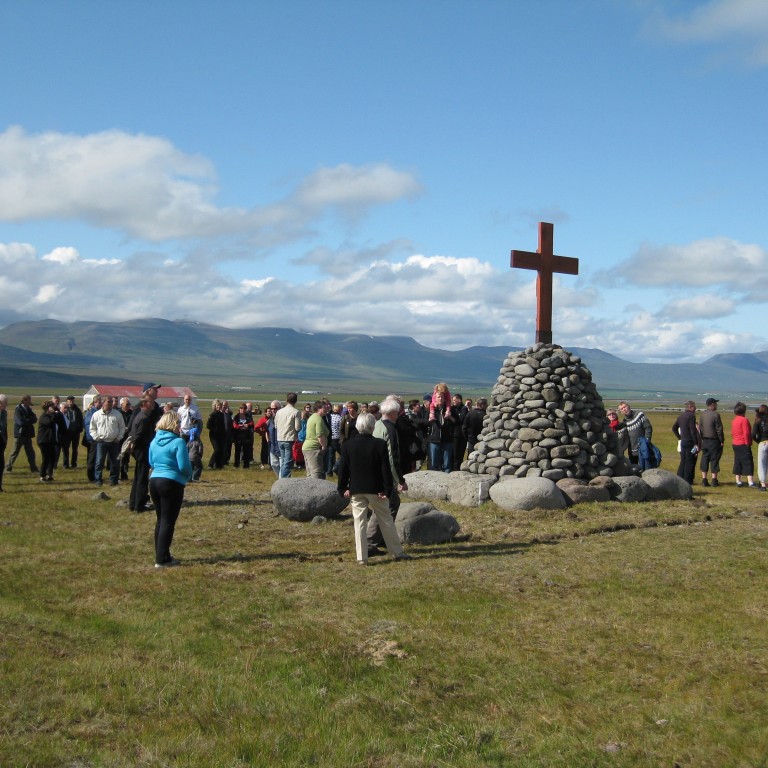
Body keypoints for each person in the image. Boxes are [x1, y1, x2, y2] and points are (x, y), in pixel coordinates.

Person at [337, 412, 412, 566]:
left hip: (356, 489)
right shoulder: (380, 444)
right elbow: (385, 468)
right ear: (373, 426)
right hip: (377, 490)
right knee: (386, 521)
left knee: (359, 523)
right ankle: (397, 552)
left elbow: (342, 469)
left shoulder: (347, 445)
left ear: (357, 426)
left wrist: (342, 488)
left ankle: (362, 558)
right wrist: (386, 489)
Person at [148, 411, 193, 568]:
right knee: (168, 520)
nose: (180, 426)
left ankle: (162, 554)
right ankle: (161, 559)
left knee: (160, 519)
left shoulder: (154, 441)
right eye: (179, 423)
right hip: (171, 482)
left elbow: (151, 461)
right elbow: (184, 466)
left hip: (154, 481)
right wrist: (188, 476)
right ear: (173, 424)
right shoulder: (178, 442)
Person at [368, 397, 409, 555]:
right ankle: (371, 541)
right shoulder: (390, 429)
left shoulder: (377, 425)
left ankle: (382, 538)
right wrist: (399, 480)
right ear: (392, 413)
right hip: (384, 476)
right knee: (386, 506)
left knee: (388, 505)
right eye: (397, 412)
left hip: (375, 472)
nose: (398, 415)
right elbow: (392, 457)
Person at [89, 396, 126, 487]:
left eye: (111, 402)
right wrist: (97, 437)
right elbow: (92, 428)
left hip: (114, 442)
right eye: (109, 401)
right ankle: (98, 480)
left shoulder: (117, 414)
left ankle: (113, 479)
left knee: (115, 462)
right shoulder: (96, 415)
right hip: (101, 442)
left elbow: (122, 427)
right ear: (103, 402)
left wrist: (118, 438)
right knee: (99, 462)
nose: (111, 403)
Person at [128, 397, 157, 513]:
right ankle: (139, 505)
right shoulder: (144, 418)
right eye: (151, 402)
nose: (153, 404)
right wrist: (134, 445)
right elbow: (138, 436)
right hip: (142, 450)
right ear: (144, 404)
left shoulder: (140, 416)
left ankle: (133, 503)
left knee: (138, 476)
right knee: (142, 478)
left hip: (139, 450)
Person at [5, 394, 38, 474]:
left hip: (27, 434)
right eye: (29, 400)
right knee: (15, 452)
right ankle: (8, 467)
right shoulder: (18, 409)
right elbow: (20, 422)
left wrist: (27, 420)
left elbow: (35, 418)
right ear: (25, 400)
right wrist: (29, 420)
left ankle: (33, 468)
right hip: (20, 434)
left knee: (31, 452)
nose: (30, 401)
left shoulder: (28, 409)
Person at [428, 391, 458, 473]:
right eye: (438, 397)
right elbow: (425, 421)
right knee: (434, 463)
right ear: (435, 398)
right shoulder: (431, 410)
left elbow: (456, 422)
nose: (440, 398)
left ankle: (446, 481)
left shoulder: (450, 409)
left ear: (445, 398)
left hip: (447, 439)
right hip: (434, 439)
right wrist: (429, 420)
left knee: (447, 464)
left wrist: (450, 417)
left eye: (442, 397)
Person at [672, 401, 701, 485]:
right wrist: (696, 443)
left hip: (683, 442)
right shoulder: (691, 416)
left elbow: (674, 428)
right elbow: (693, 431)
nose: (695, 409)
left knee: (683, 461)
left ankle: (679, 478)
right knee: (690, 462)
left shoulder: (681, 416)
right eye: (694, 407)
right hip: (690, 442)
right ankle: (688, 481)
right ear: (690, 407)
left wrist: (680, 437)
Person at [274, 392, 301, 478]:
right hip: (289, 438)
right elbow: (297, 428)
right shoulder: (296, 412)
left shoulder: (279, 412)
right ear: (295, 401)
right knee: (288, 461)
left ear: (286, 400)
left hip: (280, 438)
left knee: (283, 460)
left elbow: (276, 425)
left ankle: (282, 478)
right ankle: (284, 480)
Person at [699, 398, 724, 487]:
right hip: (714, 440)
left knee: (705, 458)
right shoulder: (716, 415)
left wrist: (702, 438)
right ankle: (714, 479)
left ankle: (704, 479)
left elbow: (700, 428)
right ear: (713, 404)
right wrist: (721, 440)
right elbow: (719, 429)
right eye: (716, 404)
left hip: (705, 440)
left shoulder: (702, 415)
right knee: (714, 459)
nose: (717, 405)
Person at [731, 402, 755, 488]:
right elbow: (746, 433)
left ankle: (738, 480)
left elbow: (733, 433)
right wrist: (748, 443)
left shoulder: (734, 420)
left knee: (738, 461)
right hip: (743, 443)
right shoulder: (744, 420)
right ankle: (750, 482)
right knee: (748, 462)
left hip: (735, 443)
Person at [303, 401, 329, 479]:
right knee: (316, 473)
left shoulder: (312, 417)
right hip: (313, 449)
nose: (326, 409)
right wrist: (324, 446)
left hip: (308, 448)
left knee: (310, 474)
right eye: (324, 407)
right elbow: (320, 434)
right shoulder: (318, 419)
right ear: (319, 408)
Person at [36, 400, 57, 482]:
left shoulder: (50, 416)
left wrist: (54, 413)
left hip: (50, 440)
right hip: (43, 441)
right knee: (46, 458)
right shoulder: (43, 417)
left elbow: (55, 420)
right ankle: (42, 475)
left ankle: (49, 474)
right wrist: (52, 413)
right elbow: (49, 423)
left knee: (52, 458)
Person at [82, 396, 102, 482]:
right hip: (93, 439)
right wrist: (92, 438)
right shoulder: (91, 413)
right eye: (99, 402)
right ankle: (91, 476)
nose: (101, 404)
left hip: (98, 439)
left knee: (97, 458)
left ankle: (96, 475)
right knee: (92, 459)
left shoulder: (98, 412)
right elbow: (88, 426)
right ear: (95, 403)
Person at [232, 403, 255, 468]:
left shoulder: (248, 416)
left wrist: (247, 425)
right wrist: (241, 426)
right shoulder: (236, 416)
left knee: (246, 451)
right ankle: (236, 465)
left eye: (244, 408)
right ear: (239, 409)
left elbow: (252, 423)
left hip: (246, 436)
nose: (242, 410)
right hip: (238, 436)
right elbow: (234, 425)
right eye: (241, 408)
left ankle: (246, 465)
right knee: (237, 451)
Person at [206, 399, 227, 469]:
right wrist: (215, 429)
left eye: (220, 405)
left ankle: (219, 465)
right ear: (215, 406)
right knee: (217, 449)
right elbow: (208, 425)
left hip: (221, 435)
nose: (219, 407)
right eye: (217, 405)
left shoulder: (221, 414)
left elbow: (223, 425)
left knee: (221, 449)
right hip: (213, 435)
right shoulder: (212, 414)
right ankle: (210, 464)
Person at [752, 404, 768, 491]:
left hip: (763, 442)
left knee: (762, 464)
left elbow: (753, 435)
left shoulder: (758, 421)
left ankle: (762, 484)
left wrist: (759, 441)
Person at [65, 395, 84, 468]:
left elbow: (81, 420)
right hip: (67, 432)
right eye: (69, 400)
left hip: (75, 432)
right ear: (67, 401)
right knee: (66, 448)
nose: (71, 402)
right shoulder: (65, 409)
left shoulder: (77, 410)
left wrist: (79, 429)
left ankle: (74, 463)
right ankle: (66, 464)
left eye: (72, 400)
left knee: (75, 449)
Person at [451, 393, 469, 470]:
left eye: (454, 400)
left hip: (460, 436)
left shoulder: (464, 409)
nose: (453, 402)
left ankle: (457, 470)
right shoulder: (452, 408)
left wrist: (451, 417)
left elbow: (460, 420)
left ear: (459, 400)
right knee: (453, 455)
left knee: (459, 455)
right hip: (453, 435)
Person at [0, 394, 7, 491]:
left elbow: (4, 427)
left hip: (1, 442)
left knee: (1, 465)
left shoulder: (4, 413)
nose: (5, 406)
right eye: (4, 404)